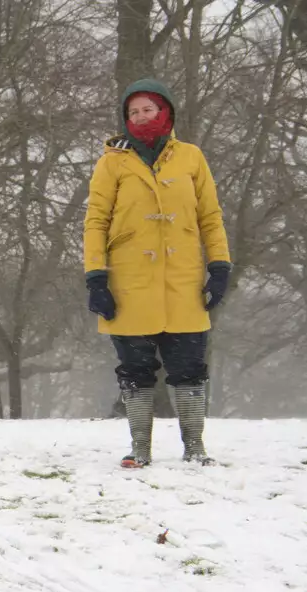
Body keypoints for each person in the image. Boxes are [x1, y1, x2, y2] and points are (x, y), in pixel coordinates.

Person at [83, 77, 232, 468]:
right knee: (135, 370)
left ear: (165, 111)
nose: (141, 116)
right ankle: (140, 448)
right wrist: (96, 277)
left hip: (184, 283)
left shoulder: (191, 157)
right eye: (133, 111)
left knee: (190, 369)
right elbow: (95, 221)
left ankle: (195, 447)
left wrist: (219, 267)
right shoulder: (111, 162)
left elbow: (210, 218)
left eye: (148, 109)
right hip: (129, 284)